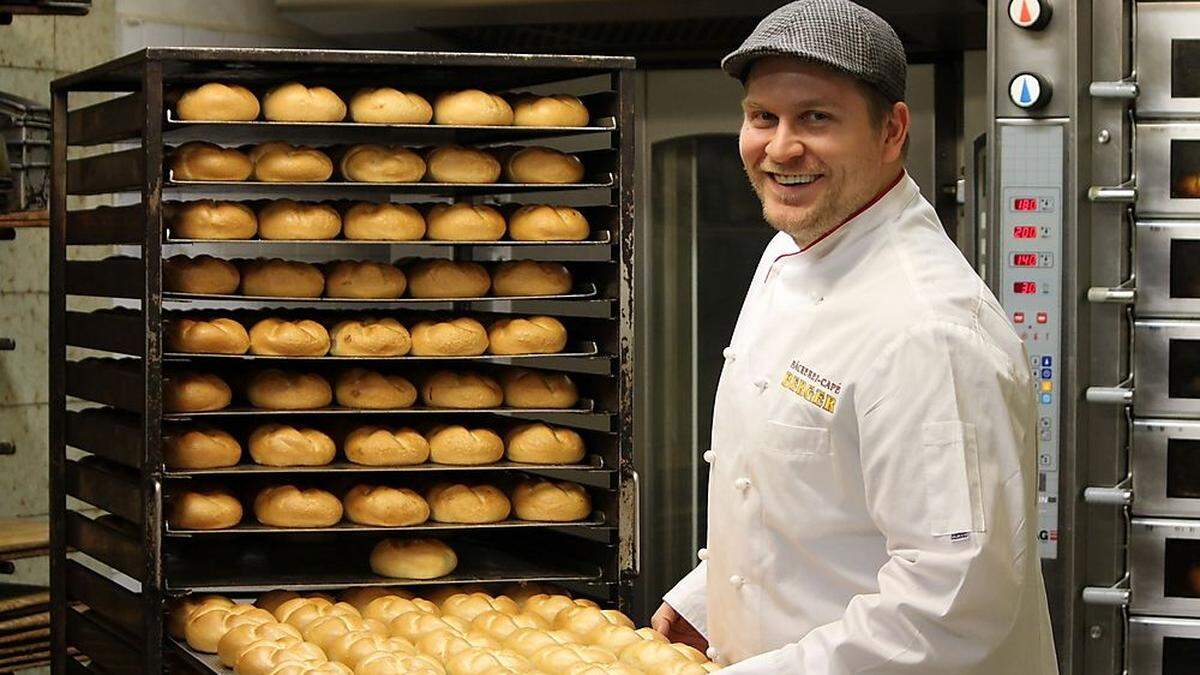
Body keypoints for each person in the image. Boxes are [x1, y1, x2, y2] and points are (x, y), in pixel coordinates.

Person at [650, 1, 1059, 673]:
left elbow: (950, 605)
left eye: (816, 117)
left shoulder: (927, 329)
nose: (781, 148)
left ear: (893, 129)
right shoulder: (795, 247)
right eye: (763, 117)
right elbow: (808, 502)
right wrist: (709, 598)